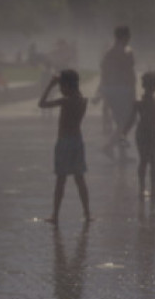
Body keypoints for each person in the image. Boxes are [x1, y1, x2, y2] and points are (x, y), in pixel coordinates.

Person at [38, 70, 91, 225]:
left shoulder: (66, 101)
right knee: (80, 179)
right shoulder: (83, 100)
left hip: (64, 142)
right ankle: (87, 213)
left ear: (67, 85)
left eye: (61, 86)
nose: (60, 89)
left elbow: (41, 104)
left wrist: (50, 85)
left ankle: (55, 215)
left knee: (61, 180)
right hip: (77, 141)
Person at [95, 25, 136, 160]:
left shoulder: (108, 53)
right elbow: (130, 74)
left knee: (119, 121)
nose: (129, 39)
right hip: (123, 89)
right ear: (125, 37)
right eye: (128, 36)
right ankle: (108, 146)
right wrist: (133, 91)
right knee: (127, 120)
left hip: (110, 89)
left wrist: (101, 91)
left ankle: (121, 153)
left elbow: (104, 74)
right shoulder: (127, 52)